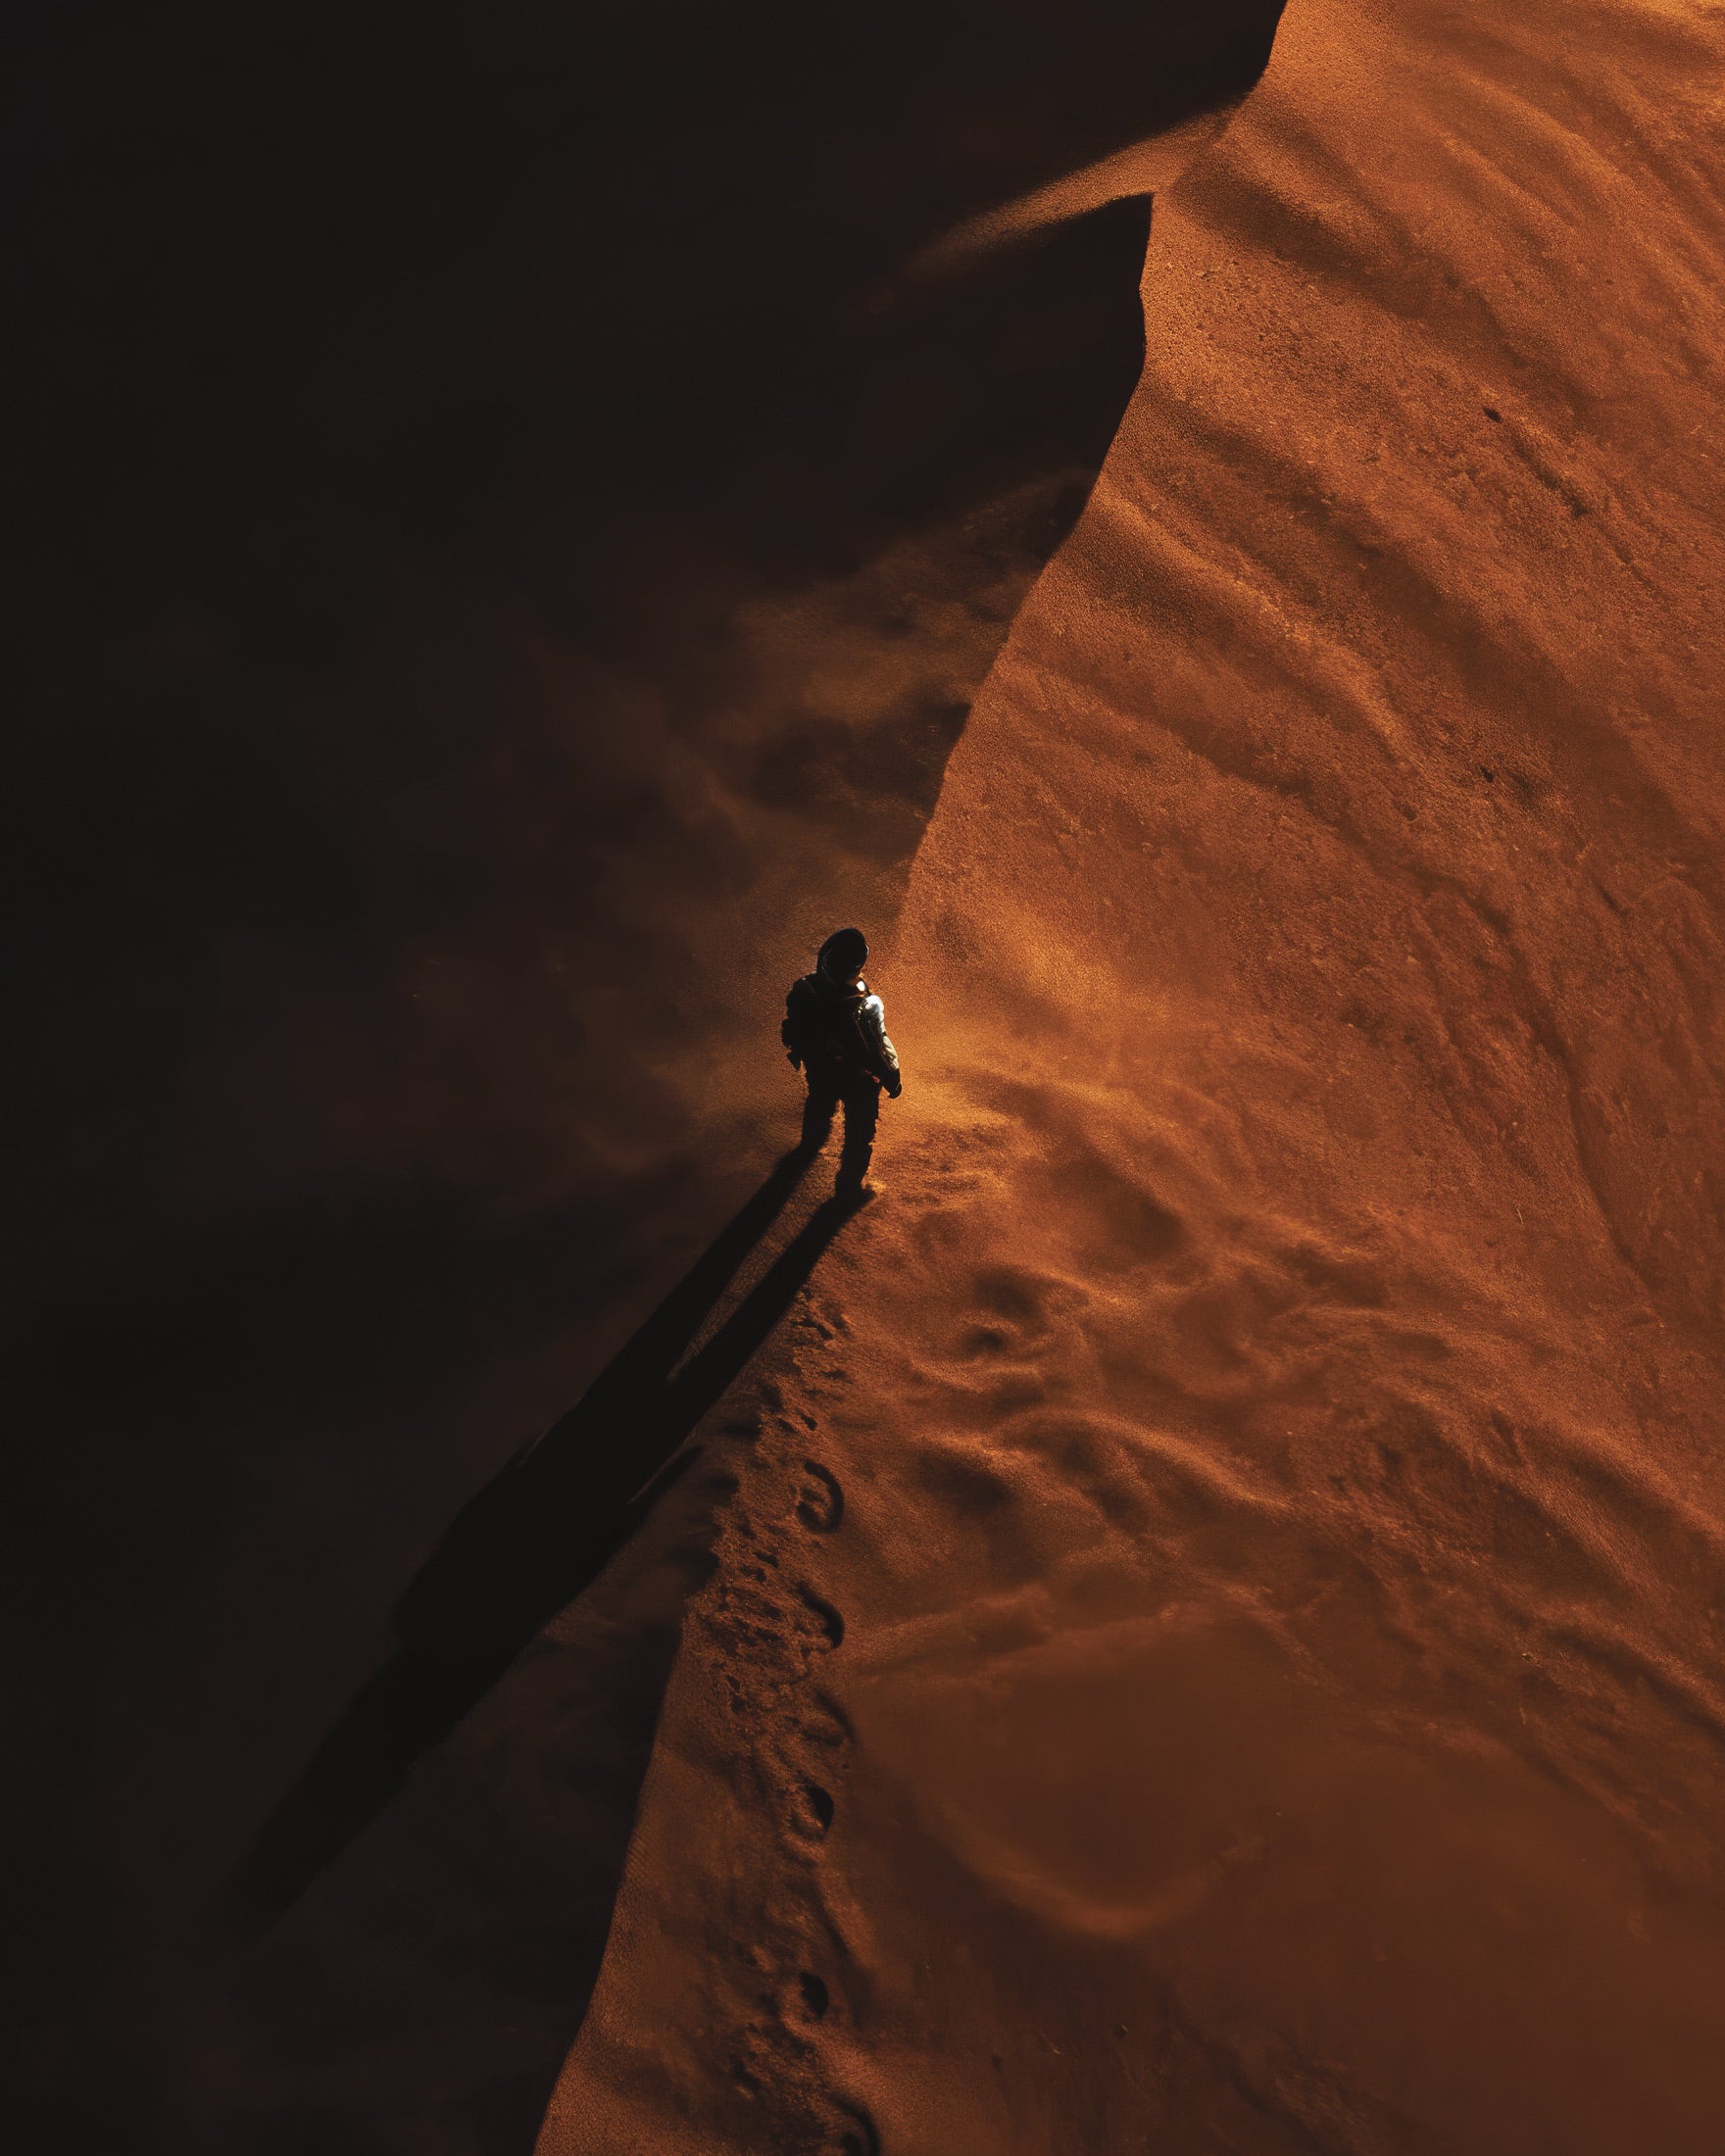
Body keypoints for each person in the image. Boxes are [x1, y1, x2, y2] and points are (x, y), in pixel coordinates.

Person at [782, 926, 901, 1198]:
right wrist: (891, 1075)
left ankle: (811, 1159)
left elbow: (790, 1033)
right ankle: (847, 1188)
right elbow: (876, 1041)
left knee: (823, 1116)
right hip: (855, 1077)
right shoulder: (857, 997)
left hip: (830, 1074)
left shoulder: (807, 990)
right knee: (857, 1133)